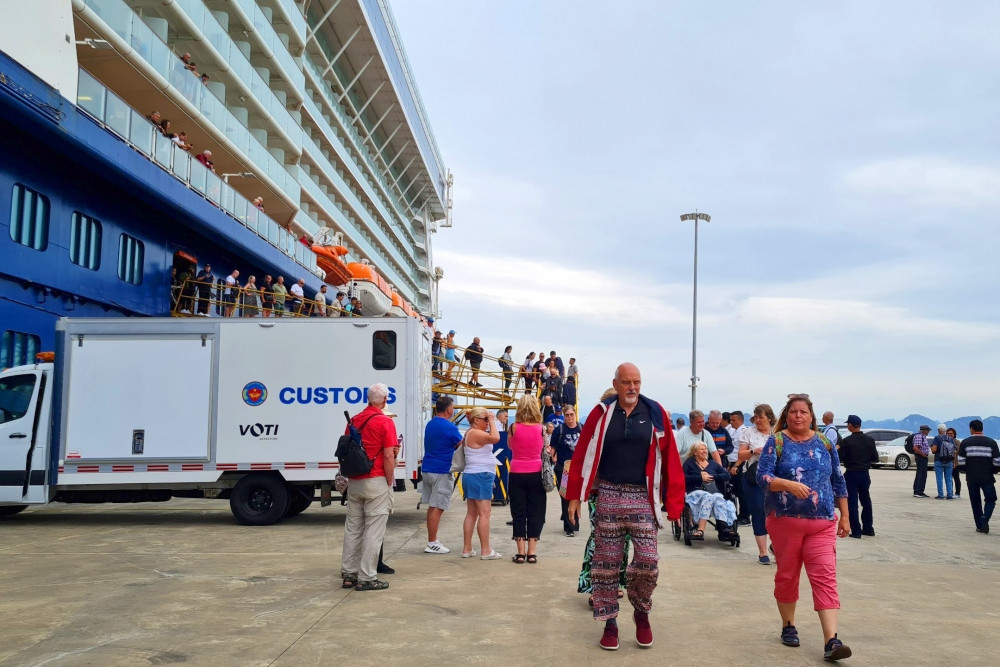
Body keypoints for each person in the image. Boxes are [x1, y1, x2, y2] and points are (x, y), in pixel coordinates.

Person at [566, 363, 685, 651]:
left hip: (642, 496)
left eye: (637, 382)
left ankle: (641, 611)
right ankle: (610, 623)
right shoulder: (601, 413)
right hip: (608, 494)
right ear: (615, 384)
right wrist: (574, 496)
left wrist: (674, 503)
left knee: (648, 560)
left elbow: (670, 457)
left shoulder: (655, 413)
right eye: (627, 382)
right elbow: (582, 453)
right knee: (605, 564)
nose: (632, 387)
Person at [756, 394, 851, 662]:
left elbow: (838, 480)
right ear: (786, 416)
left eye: (803, 412)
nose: (798, 416)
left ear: (811, 416)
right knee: (788, 575)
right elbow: (762, 476)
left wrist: (845, 516)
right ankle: (788, 625)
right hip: (785, 522)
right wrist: (787, 484)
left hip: (822, 523)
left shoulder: (824, 442)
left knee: (825, 576)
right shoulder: (776, 441)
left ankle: (831, 640)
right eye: (793, 412)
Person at [340, 383, 397, 591]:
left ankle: (349, 573)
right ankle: (367, 577)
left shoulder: (354, 420)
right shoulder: (385, 422)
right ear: (385, 400)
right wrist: (389, 481)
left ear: (367, 399)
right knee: (374, 530)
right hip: (376, 479)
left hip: (355, 480)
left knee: (353, 528)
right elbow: (389, 456)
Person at [508, 395, 547, 562]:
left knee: (518, 512)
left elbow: (510, 446)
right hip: (536, 472)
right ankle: (531, 553)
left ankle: (520, 553)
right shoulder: (541, 428)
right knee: (536, 511)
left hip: (517, 471)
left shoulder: (513, 427)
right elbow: (544, 447)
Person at [420, 396, 462, 554]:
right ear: (449, 409)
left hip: (428, 468)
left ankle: (433, 540)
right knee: (438, 507)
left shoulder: (431, 424)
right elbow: (462, 445)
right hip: (441, 470)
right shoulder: (450, 427)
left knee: (432, 507)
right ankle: (432, 543)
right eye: (453, 407)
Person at [460, 407, 502, 560]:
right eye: (485, 419)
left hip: (472, 474)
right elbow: (496, 438)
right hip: (480, 475)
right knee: (485, 513)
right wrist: (492, 421)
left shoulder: (470, 432)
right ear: (476, 420)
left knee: (472, 513)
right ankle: (486, 550)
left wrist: (489, 420)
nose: (487, 422)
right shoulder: (476, 433)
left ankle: (467, 548)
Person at [738, 404, 776, 564]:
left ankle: (776, 545)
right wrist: (754, 451)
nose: (758, 420)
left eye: (761, 417)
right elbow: (741, 455)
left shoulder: (777, 432)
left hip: (775, 477)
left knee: (777, 512)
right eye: (756, 417)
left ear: (769, 418)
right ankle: (762, 552)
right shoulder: (748, 432)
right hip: (754, 477)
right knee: (759, 511)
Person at [682, 442, 737, 539]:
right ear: (695, 452)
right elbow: (682, 477)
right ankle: (700, 530)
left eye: (706, 449)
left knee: (718, 498)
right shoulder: (689, 463)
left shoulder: (713, 463)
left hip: (712, 491)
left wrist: (713, 476)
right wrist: (700, 477)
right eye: (702, 449)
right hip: (695, 492)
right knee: (709, 497)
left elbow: (727, 475)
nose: (705, 451)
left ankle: (724, 529)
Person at [956, 419, 1000, 534]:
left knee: (975, 502)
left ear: (971, 429)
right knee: (991, 499)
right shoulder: (992, 442)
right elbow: (997, 461)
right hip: (987, 477)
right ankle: (985, 517)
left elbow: (961, 460)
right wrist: (993, 470)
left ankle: (980, 526)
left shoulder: (965, 442)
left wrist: (965, 470)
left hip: (971, 477)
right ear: (982, 428)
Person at [838, 415, 878, 538]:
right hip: (865, 474)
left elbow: (840, 458)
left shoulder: (847, 441)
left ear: (850, 425)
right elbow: (875, 458)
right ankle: (868, 528)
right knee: (866, 501)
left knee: (852, 503)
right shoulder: (870, 440)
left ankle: (856, 531)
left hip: (851, 473)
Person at [551, 404, 583, 536]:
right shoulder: (559, 430)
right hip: (563, 469)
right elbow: (553, 447)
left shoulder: (582, 428)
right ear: (564, 416)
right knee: (565, 496)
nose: (570, 417)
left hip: (578, 468)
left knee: (576, 496)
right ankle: (569, 527)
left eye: (572, 414)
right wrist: (554, 460)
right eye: (567, 415)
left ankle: (573, 522)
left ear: (575, 414)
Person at [729, 410, 750, 525]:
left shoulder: (744, 432)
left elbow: (744, 451)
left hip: (739, 463)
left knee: (741, 491)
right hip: (732, 463)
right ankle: (738, 514)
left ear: (741, 420)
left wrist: (736, 465)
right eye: (731, 420)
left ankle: (745, 516)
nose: (731, 422)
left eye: (734, 420)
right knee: (735, 490)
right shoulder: (734, 431)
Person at [931, 424, 956, 500]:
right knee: (949, 478)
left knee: (939, 478)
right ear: (945, 430)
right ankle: (949, 494)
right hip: (949, 461)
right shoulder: (950, 439)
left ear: (938, 430)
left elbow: (934, 450)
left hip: (939, 460)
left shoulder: (937, 438)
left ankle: (941, 495)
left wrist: (932, 448)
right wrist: (954, 461)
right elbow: (954, 451)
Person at [912, 424, 931, 498]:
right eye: (928, 430)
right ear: (924, 430)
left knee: (920, 473)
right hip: (921, 457)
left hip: (921, 457)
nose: (928, 432)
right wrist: (924, 455)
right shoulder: (919, 436)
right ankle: (919, 491)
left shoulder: (922, 436)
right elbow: (915, 448)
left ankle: (917, 490)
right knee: (922, 474)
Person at [947, 427, 962, 498]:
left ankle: (957, 493)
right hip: (948, 463)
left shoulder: (957, 442)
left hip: (956, 463)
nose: (950, 435)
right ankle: (950, 492)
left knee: (956, 478)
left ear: (954, 434)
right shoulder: (945, 441)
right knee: (949, 478)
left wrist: (955, 463)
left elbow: (956, 452)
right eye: (948, 433)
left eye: (951, 433)